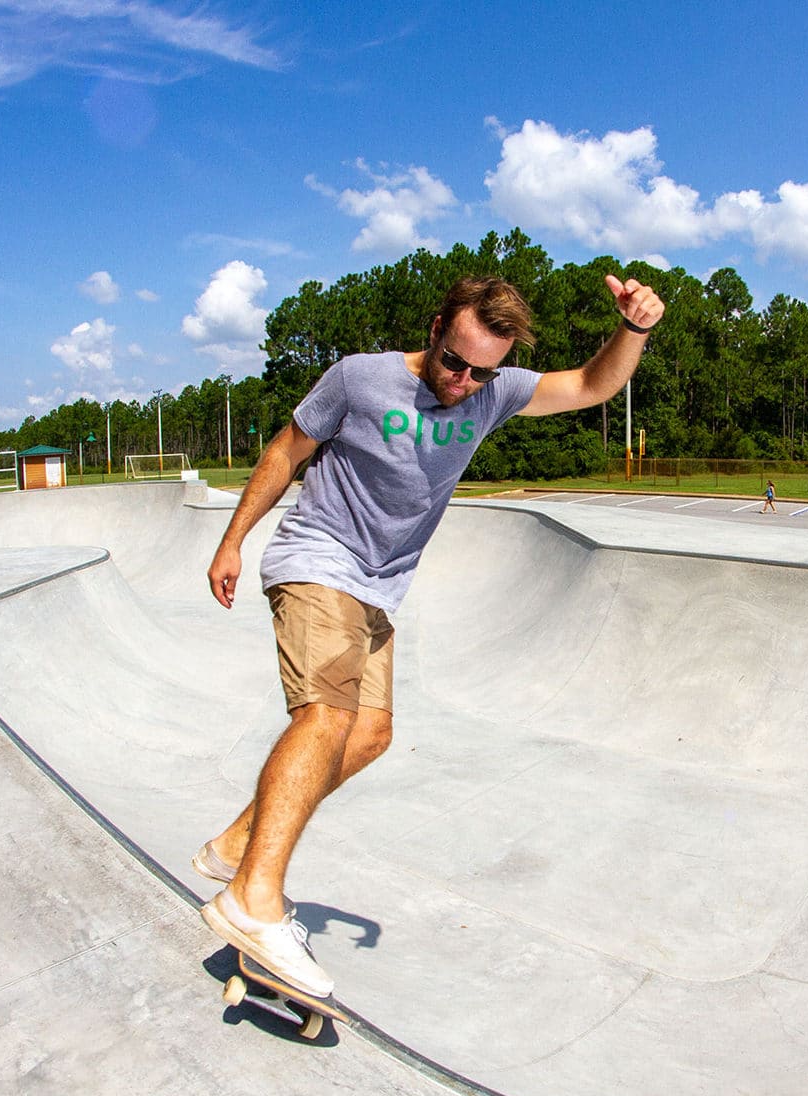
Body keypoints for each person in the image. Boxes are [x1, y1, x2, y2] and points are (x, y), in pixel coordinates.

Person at [198, 272, 665, 996]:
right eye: (455, 361)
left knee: (370, 735)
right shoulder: (359, 379)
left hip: (379, 588)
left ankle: (239, 844)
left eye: (481, 371)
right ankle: (253, 897)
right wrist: (233, 541)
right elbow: (286, 451)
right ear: (435, 328)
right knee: (325, 717)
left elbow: (591, 387)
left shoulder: (497, 390)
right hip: (317, 557)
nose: (463, 382)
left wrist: (633, 329)